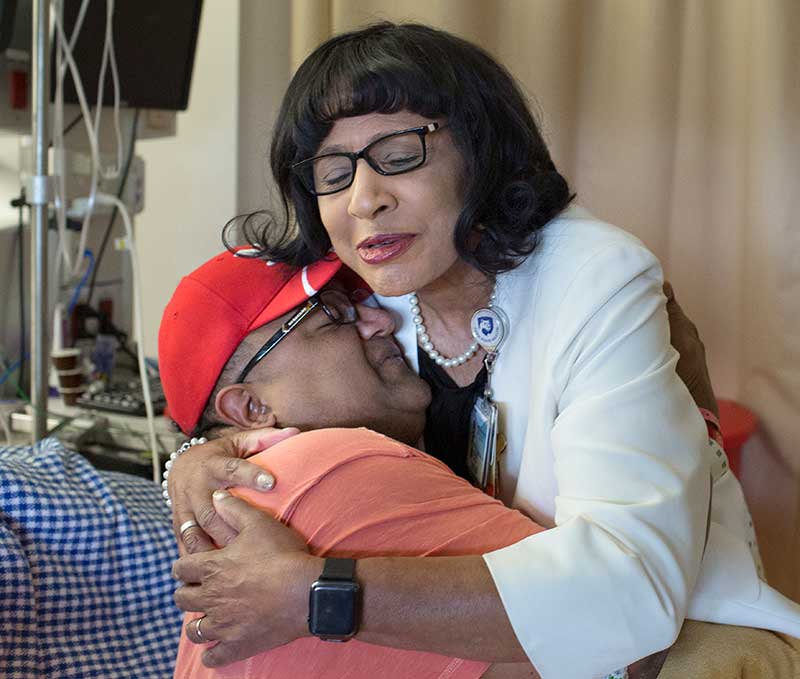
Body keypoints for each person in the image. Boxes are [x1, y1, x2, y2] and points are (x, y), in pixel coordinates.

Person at [164, 22, 800, 679]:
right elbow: (284, 421)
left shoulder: (596, 276)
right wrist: (196, 456)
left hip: (684, 642)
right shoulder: (373, 301)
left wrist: (319, 593)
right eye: (332, 173)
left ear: (480, 148)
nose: (364, 200)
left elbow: (631, 593)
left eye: (400, 152)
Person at [162, 249, 796, 679]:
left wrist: (188, 456)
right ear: (249, 406)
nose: (382, 323)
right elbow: (615, 627)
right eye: (332, 317)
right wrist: (694, 418)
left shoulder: (246, 486)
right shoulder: (338, 466)